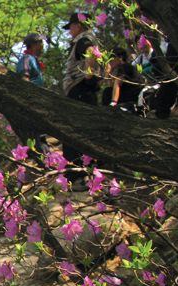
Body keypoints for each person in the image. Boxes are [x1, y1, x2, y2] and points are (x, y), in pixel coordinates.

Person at [61, 12, 101, 176]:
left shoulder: (83, 41)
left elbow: (90, 51)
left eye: (70, 27)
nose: (70, 31)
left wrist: (89, 75)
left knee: (72, 133)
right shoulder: (91, 39)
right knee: (87, 131)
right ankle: (90, 171)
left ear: (78, 25)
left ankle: (76, 176)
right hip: (85, 91)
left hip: (79, 91)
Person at [16, 33, 50, 155]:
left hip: (38, 101)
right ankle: (44, 159)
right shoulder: (26, 58)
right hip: (33, 103)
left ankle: (47, 158)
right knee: (37, 134)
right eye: (40, 43)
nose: (42, 45)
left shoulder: (33, 59)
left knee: (41, 132)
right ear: (34, 45)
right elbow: (24, 80)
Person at [101, 47, 144, 111]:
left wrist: (114, 102)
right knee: (109, 90)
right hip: (129, 93)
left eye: (112, 59)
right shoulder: (122, 68)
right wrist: (108, 73)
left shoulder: (124, 66)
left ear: (120, 58)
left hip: (132, 94)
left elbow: (117, 84)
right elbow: (112, 86)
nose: (111, 62)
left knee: (107, 92)